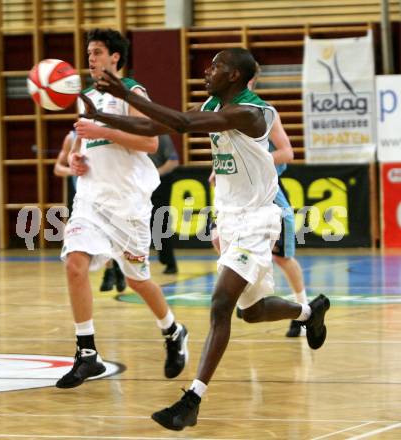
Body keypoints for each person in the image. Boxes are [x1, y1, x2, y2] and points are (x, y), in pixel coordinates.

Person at [80, 47, 330, 430]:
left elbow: (180, 122)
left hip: (258, 221)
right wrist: (101, 114)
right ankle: (310, 312)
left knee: (220, 305)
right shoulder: (215, 101)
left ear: (235, 76)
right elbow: (153, 128)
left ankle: (192, 400)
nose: (206, 71)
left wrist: (126, 94)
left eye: (216, 66)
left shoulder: (251, 112)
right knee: (251, 312)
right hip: (229, 220)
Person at [57, 28, 189, 389]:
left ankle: (173, 329)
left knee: (137, 278)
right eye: (89, 53)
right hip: (91, 199)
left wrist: (110, 132)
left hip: (128, 202)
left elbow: (149, 141)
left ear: (115, 57)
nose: (91, 58)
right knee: (75, 264)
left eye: (97, 52)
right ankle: (87, 353)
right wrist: (75, 159)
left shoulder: (132, 91)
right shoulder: (84, 95)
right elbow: (80, 145)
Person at [211, 68, 309, 338]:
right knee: (217, 238)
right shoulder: (219, 108)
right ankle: (247, 294)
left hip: (265, 195)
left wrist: (257, 163)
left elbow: (287, 151)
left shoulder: (262, 111)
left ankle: (303, 308)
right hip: (235, 197)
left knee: (283, 256)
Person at [54, 130, 126, 293]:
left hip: (109, 193)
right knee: (96, 238)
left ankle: (116, 269)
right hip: (84, 198)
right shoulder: (71, 137)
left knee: (113, 236)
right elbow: (58, 168)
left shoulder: (106, 133)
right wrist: (73, 169)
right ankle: (110, 270)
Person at [149, 134, 179, 274]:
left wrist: (153, 174)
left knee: (160, 221)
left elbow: (173, 162)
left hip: (161, 183)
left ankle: (170, 262)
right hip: (139, 184)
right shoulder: (131, 133)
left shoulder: (161, 135)